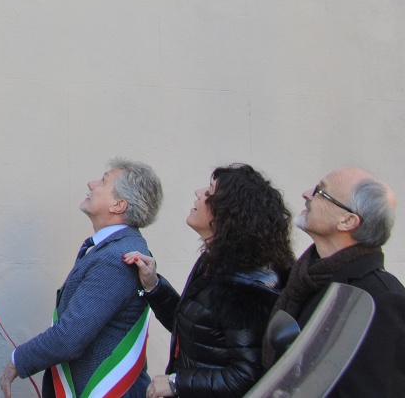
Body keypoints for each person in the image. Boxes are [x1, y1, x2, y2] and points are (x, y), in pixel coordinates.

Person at [123, 164, 294, 398]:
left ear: (228, 213)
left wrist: (177, 383)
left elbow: (246, 375)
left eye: (209, 192)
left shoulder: (245, 287)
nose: (198, 192)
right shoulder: (215, 262)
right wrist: (153, 286)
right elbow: (196, 329)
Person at [0, 159, 163, 398]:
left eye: (104, 181)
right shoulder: (115, 248)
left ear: (118, 205)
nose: (91, 184)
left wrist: (18, 361)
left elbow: (70, 337)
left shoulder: (116, 258)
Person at [262, 167, 405, 397]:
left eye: (321, 192)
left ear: (347, 221)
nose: (307, 194)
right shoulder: (307, 278)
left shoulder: (380, 297)